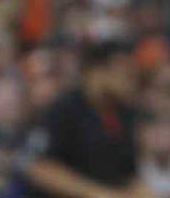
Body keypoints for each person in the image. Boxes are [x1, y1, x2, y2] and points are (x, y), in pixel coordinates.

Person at [24, 39, 153, 198]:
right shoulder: (63, 110)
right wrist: (95, 193)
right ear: (97, 72)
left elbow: (128, 175)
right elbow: (39, 168)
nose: (132, 79)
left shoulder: (125, 114)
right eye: (125, 72)